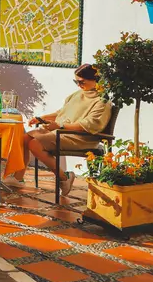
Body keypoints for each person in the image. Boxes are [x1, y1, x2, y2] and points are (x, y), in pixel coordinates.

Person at [15, 63, 112, 194]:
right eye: (76, 81)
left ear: (95, 80)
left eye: (81, 81)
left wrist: (61, 125)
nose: (78, 85)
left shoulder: (102, 101)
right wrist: (42, 118)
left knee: (34, 143)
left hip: (81, 138)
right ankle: (18, 178)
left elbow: (90, 124)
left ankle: (64, 178)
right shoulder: (78, 94)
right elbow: (62, 112)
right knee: (25, 138)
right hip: (62, 132)